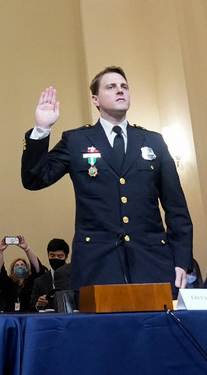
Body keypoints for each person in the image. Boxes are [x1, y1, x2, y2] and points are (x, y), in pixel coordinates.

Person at [22, 67, 193, 295]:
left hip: (151, 261)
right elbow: (34, 179)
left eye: (124, 87)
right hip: (97, 264)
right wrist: (42, 129)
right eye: (111, 87)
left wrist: (181, 260)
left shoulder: (153, 141)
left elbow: (176, 207)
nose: (119, 91)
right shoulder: (77, 141)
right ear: (95, 99)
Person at [0, 236, 43, 312]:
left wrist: (27, 249)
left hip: (29, 315)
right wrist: (0, 251)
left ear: (27, 268)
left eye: (22, 265)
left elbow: (37, 268)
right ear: (13, 270)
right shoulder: (8, 282)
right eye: (17, 265)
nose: (20, 267)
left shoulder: (32, 281)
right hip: (10, 315)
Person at [31, 238, 70, 310]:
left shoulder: (74, 277)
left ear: (66, 257)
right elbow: (32, 305)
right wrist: (38, 304)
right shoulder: (39, 281)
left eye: (60, 256)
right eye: (52, 256)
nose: (55, 258)